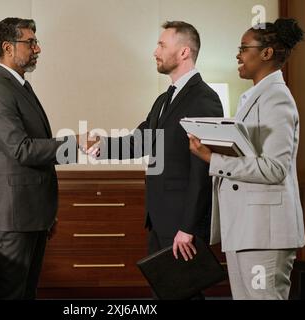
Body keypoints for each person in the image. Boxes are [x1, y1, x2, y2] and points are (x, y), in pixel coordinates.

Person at [96, 21, 223, 297]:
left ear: (184, 52)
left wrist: (188, 228)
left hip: (181, 226)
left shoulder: (204, 99)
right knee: (166, 294)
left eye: (162, 45)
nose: (155, 51)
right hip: (159, 221)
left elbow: (202, 169)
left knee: (182, 295)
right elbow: (139, 141)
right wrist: (99, 146)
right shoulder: (163, 100)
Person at [0, 17, 94, 300]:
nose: (37, 49)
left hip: (31, 214)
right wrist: (75, 143)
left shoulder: (18, 86)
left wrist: (45, 213)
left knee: (26, 293)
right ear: (8, 47)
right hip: (13, 217)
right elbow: (22, 149)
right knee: (10, 294)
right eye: (30, 42)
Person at [188, 18, 305, 300]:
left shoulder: (277, 98)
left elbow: (275, 168)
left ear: (266, 53)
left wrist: (212, 158)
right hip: (245, 228)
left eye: (244, 48)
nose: (238, 55)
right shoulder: (253, 96)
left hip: (264, 233)